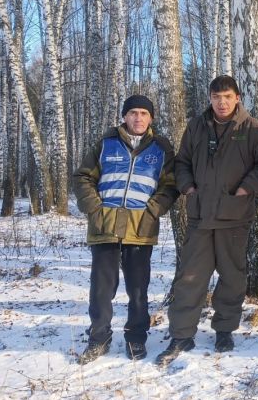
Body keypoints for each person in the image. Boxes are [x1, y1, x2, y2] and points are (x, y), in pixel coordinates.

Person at [155, 75, 258, 367]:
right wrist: (187, 187)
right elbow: (182, 162)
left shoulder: (252, 129)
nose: (221, 102)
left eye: (227, 97)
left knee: (232, 277)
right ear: (209, 99)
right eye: (216, 97)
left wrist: (245, 188)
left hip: (234, 216)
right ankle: (182, 334)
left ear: (237, 98)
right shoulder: (196, 126)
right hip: (200, 216)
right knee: (189, 277)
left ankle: (224, 329)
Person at [73, 95, 179, 364]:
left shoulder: (161, 150)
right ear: (124, 116)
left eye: (144, 113)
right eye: (133, 113)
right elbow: (83, 177)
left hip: (140, 228)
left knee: (138, 289)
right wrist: (95, 209)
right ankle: (99, 338)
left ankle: (135, 338)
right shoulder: (105, 144)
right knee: (101, 288)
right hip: (104, 227)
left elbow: (170, 185)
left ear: (151, 118)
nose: (138, 118)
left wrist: (153, 210)